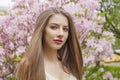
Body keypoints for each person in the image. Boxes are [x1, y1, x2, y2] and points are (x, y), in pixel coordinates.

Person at [16, 7, 83, 80]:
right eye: (54, 27)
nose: (61, 33)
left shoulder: (71, 64)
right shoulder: (30, 66)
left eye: (65, 29)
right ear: (42, 30)